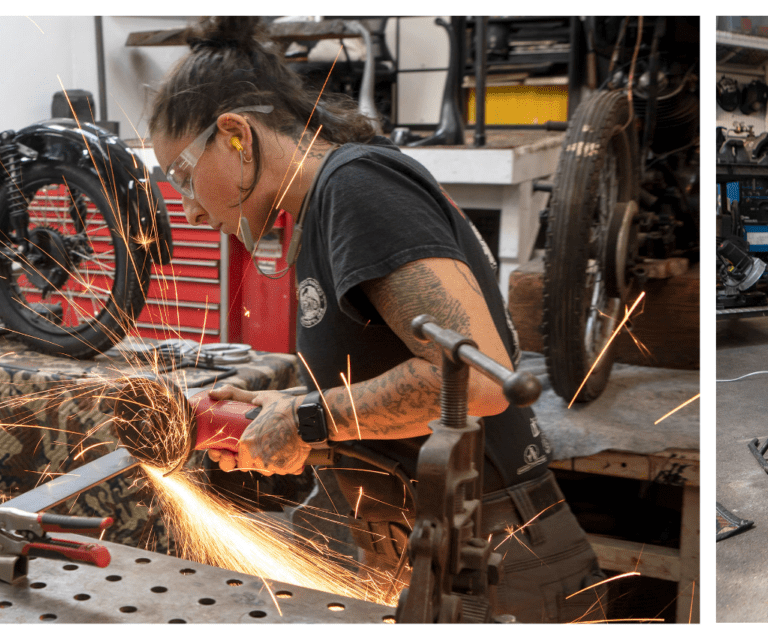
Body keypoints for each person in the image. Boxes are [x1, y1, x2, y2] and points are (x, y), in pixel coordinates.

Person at [149, 16, 606, 623]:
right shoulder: (320, 208)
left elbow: (481, 381)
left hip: (491, 555)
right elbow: (380, 369)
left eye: (182, 176)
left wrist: (309, 418)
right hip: (418, 544)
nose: (190, 209)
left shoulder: (355, 187)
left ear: (235, 133)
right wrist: (281, 410)